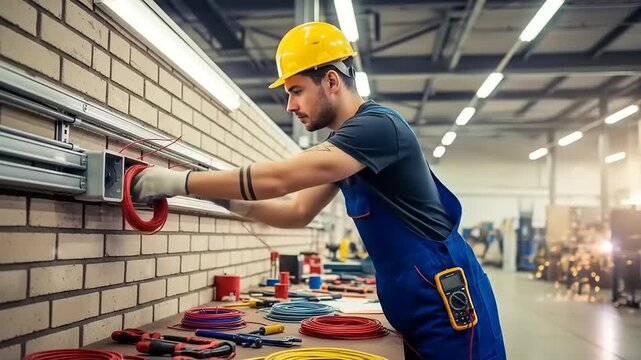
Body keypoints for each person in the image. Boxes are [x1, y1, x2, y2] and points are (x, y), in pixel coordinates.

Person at [132, 22, 506, 360]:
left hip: (446, 301)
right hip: (414, 301)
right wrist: (218, 197)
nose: (290, 104)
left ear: (331, 80)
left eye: (296, 90)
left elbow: (278, 179)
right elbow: (296, 212)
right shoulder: (345, 146)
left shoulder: (377, 128)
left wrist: (180, 182)